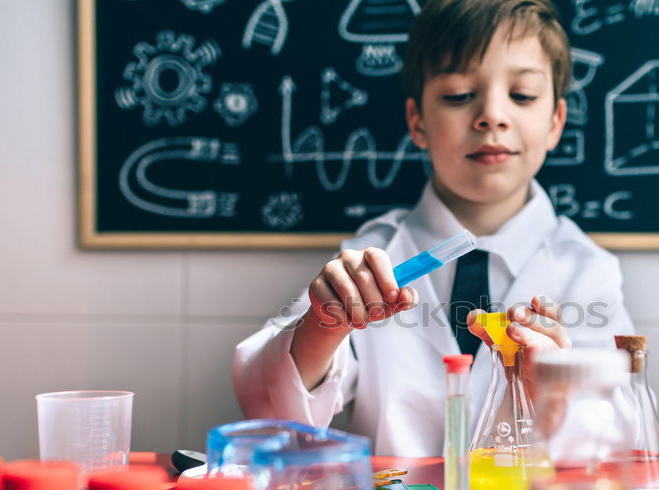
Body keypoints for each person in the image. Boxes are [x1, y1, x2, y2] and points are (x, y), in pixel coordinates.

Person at [233, 0, 634, 457]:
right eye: (460, 94)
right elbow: (264, 404)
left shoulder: (587, 271)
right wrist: (321, 330)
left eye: (522, 95)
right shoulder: (371, 256)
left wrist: (559, 395)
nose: (492, 116)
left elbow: (626, 437)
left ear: (555, 122)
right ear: (417, 121)